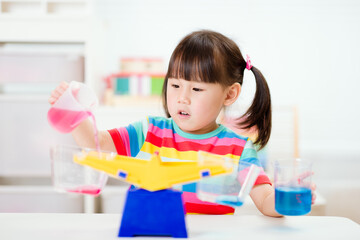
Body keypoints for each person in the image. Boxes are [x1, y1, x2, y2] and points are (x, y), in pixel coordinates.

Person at [49, 30, 316, 217]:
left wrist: (287, 200)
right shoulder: (150, 131)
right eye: (175, 85)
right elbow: (98, 146)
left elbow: (265, 200)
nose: (182, 98)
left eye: (197, 89)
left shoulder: (237, 149)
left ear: (229, 94)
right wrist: (74, 114)